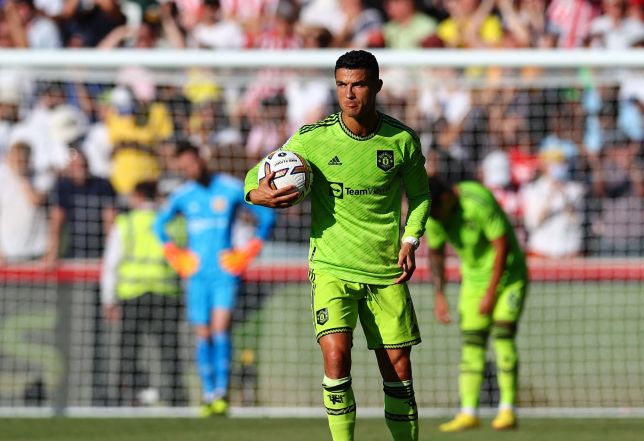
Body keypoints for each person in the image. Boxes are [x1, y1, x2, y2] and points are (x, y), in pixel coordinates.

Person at [244, 50, 430, 441]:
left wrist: (411, 239)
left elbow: (420, 196)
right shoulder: (312, 138)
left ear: (376, 87)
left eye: (358, 85)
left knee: (397, 370)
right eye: (342, 85)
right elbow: (257, 174)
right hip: (331, 266)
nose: (349, 94)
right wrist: (258, 194)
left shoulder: (401, 140)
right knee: (335, 356)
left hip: (385, 270)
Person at [153, 141, 275, 416]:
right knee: (203, 333)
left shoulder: (230, 188)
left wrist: (246, 253)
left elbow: (266, 217)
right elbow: (158, 225)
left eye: (191, 163)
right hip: (197, 276)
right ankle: (208, 394)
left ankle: (221, 392)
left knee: (221, 330)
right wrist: (176, 255)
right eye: (183, 168)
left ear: (201, 158)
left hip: (224, 273)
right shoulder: (183, 195)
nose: (189, 170)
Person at [426, 176, 528, 432]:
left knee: (503, 336)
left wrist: (491, 292)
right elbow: (436, 254)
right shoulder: (434, 215)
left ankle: (508, 409)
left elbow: (502, 245)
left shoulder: (477, 202)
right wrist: (439, 295)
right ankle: (468, 412)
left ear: (446, 199)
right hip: (473, 281)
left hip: (508, 277)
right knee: (472, 344)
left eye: (435, 211)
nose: (434, 217)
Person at [100, 181, 186, 406]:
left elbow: (111, 263)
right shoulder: (172, 223)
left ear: (137, 196)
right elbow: (185, 259)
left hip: (132, 294)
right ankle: (177, 398)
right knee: (170, 350)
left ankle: (126, 397)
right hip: (165, 292)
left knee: (128, 350)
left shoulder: (126, 223)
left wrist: (108, 299)